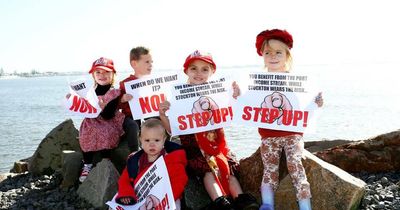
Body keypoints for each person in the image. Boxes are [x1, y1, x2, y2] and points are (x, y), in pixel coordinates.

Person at [233, 29, 324, 210]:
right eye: (268, 53)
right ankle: (268, 204)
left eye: (278, 52)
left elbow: (304, 105)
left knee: (296, 166)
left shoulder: (297, 81)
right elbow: (248, 104)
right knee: (269, 170)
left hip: (293, 134)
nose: (273, 56)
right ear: (263, 56)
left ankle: (305, 206)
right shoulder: (258, 83)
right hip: (268, 135)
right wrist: (237, 96)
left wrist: (316, 103)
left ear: (287, 56)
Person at [159, 50, 259, 210]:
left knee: (227, 169)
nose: (199, 73)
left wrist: (235, 96)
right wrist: (163, 115)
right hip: (195, 148)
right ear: (186, 71)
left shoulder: (218, 92)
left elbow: (233, 113)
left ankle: (240, 199)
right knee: (208, 172)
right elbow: (173, 130)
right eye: (194, 69)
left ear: (212, 72)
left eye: (205, 69)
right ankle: (220, 201)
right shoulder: (178, 96)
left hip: (217, 145)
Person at [69, 57, 127, 182]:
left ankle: (106, 160)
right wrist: (73, 100)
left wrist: (100, 106)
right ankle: (87, 164)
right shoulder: (90, 92)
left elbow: (108, 115)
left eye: (106, 72)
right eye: (98, 72)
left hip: (108, 120)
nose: (102, 75)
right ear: (93, 75)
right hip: (91, 120)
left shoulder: (114, 92)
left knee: (106, 133)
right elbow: (83, 107)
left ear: (113, 74)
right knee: (86, 134)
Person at [115, 118, 188, 210]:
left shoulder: (171, 159)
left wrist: (167, 198)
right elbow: (124, 179)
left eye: (157, 140)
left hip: (168, 198)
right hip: (140, 200)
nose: (152, 144)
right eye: (147, 140)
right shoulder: (134, 160)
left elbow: (179, 181)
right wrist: (126, 194)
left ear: (164, 140)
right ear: (140, 140)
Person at [119, 46, 154, 151]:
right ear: (134, 64)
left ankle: (164, 146)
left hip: (147, 114)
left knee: (159, 121)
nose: (150, 65)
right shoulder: (125, 83)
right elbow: (116, 105)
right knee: (132, 125)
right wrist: (122, 99)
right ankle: (135, 152)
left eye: (151, 62)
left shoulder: (153, 82)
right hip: (130, 117)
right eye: (147, 62)